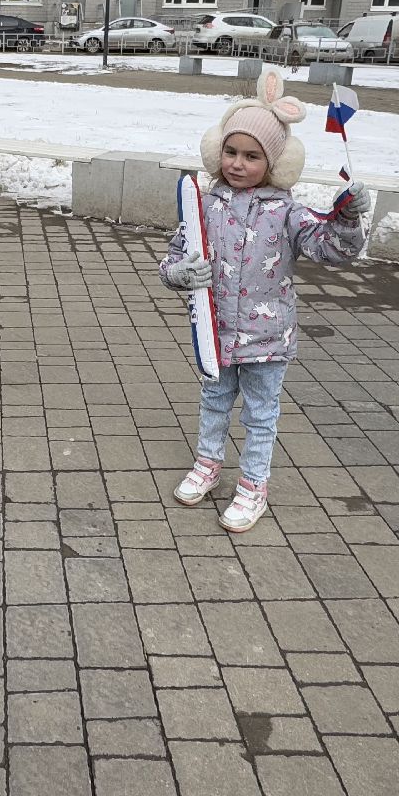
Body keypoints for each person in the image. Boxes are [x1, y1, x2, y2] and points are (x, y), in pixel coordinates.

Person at [159, 69, 369, 533]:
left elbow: (331, 249)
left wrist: (347, 220)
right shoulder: (205, 205)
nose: (237, 164)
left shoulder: (287, 212)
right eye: (231, 152)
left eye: (252, 156)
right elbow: (175, 255)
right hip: (217, 335)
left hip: (268, 339)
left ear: (273, 162)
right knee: (214, 402)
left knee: (260, 414)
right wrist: (179, 273)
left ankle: (254, 485)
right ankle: (208, 463)